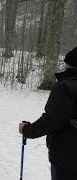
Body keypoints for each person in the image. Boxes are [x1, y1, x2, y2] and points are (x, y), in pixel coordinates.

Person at [19, 47, 77, 180]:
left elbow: (52, 119)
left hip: (68, 158)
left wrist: (28, 130)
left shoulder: (66, 86)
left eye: (66, 62)